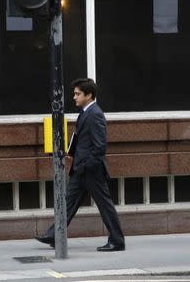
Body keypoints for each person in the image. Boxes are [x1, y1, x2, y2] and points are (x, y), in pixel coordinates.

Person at [35, 78, 125, 252]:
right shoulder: (85, 112)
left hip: (91, 170)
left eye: (77, 94)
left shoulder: (95, 114)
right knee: (68, 202)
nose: (74, 97)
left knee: (104, 205)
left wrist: (86, 165)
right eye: (74, 93)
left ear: (89, 95)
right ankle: (54, 234)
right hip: (80, 169)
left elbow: (100, 146)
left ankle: (117, 241)